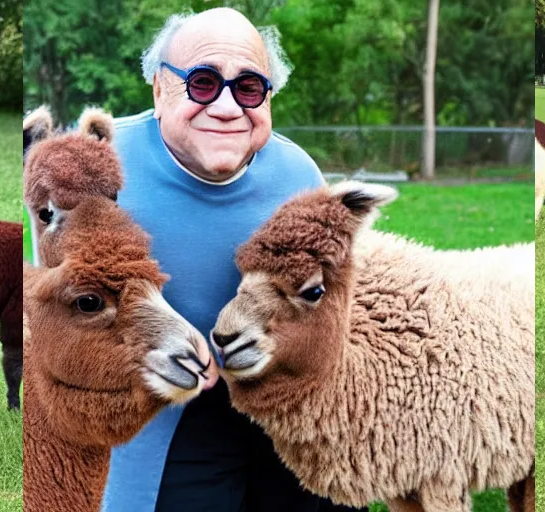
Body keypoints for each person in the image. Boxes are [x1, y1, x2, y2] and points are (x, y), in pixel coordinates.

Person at [93, 8, 364, 512]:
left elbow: (328, 302)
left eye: (248, 88)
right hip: (163, 413)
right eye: (202, 82)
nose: (225, 106)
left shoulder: (297, 173)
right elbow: (58, 307)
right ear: (159, 89)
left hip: (281, 406)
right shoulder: (100, 162)